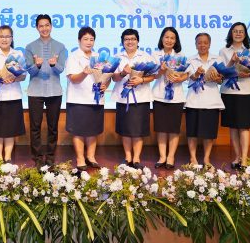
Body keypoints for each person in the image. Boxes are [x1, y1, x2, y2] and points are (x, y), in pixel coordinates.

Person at [25, 14, 67, 169]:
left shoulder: (60, 46)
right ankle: (37, 157)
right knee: (35, 126)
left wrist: (54, 64)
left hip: (54, 91)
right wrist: (36, 65)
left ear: (51, 26)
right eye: (41, 26)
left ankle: (50, 157)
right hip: (35, 91)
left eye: (47, 25)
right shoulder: (30, 47)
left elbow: (61, 70)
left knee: (52, 126)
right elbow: (30, 71)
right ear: (37, 28)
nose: (44, 28)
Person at [111, 29, 155, 170]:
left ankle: (136, 158)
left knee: (138, 130)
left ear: (137, 41)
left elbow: (153, 76)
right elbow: (113, 78)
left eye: (133, 39)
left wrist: (141, 80)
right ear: (123, 42)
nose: (130, 41)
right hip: (123, 98)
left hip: (141, 98)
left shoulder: (146, 56)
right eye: (126, 39)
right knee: (125, 129)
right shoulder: (117, 57)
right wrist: (123, 73)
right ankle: (128, 157)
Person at [0, 26, 26, 162]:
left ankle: (8, 156)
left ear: (12, 38)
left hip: (13, 95)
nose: (4, 39)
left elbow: (23, 76)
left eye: (7, 36)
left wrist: (14, 78)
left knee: (10, 129)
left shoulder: (18, 54)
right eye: (1, 36)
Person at [66, 27, 106, 170]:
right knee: (78, 131)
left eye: (91, 39)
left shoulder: (99, 57)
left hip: (96, 99)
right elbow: (73, 79)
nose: (89, 42)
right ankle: (80, 158)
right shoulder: (73, 56)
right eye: (85, 39)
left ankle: (91, 157)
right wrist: (84, 73)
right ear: (79, 40)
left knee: (93, 130)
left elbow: (106, 77)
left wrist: (105, 85)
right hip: (78, 99)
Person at [185, 33, 224, 167]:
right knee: (192, 132)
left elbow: (221, 80)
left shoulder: (217, 59)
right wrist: (196, 74)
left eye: (205, 42)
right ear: (196, 44)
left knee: (209, 133)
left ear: (210, 44)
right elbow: (189, 77)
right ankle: (193, 158)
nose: (202, 45)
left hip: (211, 101)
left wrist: (217, 79)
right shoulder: (190, 60)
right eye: (199, 42)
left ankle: (206, 159)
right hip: (193, 100)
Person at [152, 27, 188, 170]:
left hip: (176, 97)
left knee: (173, 129)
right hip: (159, 95)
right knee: (161, 128)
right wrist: (162, 70)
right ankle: (162, 157)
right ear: (162, 39)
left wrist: (180, 78)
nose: (169, 40)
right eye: (166, 37)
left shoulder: (180, 55)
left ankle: (171, 157)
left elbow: (187, 74)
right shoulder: (155, 55)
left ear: (176, 40)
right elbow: (154, 76)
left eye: (172, 38)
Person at [219, 22, 250, 169]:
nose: (238, 34)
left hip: (246, 91)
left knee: (244, 127)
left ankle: (244, 159)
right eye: (235, 31)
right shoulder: (224, 51)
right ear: (231, 33)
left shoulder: (249, 50)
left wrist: (247, 72)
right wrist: (232, 61)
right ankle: (237, 157)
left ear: (245, 34)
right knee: (232, 127)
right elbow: (222, 73)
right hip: (229, 92)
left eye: (241, 31)